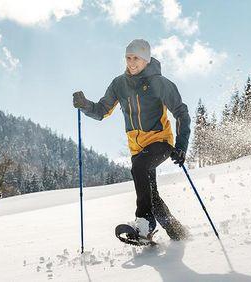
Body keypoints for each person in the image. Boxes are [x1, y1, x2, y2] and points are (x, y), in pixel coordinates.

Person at [73, 39, 191, 240]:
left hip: (160, 141)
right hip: (137, 149)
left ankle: (144, 223)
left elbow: (181, 113)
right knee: (151, 196)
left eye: (136, 58)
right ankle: (178, 233)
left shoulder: (159, 83)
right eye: (128, 57)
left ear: (146, 59)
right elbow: (102, 110)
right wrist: (85, 105)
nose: (131, 62)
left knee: (139, 169)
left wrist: (181, 146)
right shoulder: (119, 84)